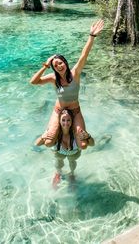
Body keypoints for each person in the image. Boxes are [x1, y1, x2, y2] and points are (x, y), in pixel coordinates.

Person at [30, 19, 104, 150]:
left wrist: (92, 36)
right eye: (55, 65)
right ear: (53, 68)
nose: (59, 66)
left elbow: (84, 55)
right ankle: (48, 135)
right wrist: (46, 65)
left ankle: (66, 136)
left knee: (83, 145)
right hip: (59, 111)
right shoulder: (53, 78)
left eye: (60, 62)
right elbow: (33, 82)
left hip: (75, 111)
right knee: (48, 143)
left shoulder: (75, 73)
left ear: (65, 62)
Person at [36, 109, 94, 189]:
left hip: (73, 153)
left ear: (72, 121)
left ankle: (72, 174)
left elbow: (92, 144)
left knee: (72, 162)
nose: (66, 123)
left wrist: (88, 136)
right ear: (59, 121)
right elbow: (37, 144)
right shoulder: (55, 134)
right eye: (63, 120)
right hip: (59, 152)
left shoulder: (76, 134)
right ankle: (58, 173)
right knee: (59, 162)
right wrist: (43, 136)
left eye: (68, 120)